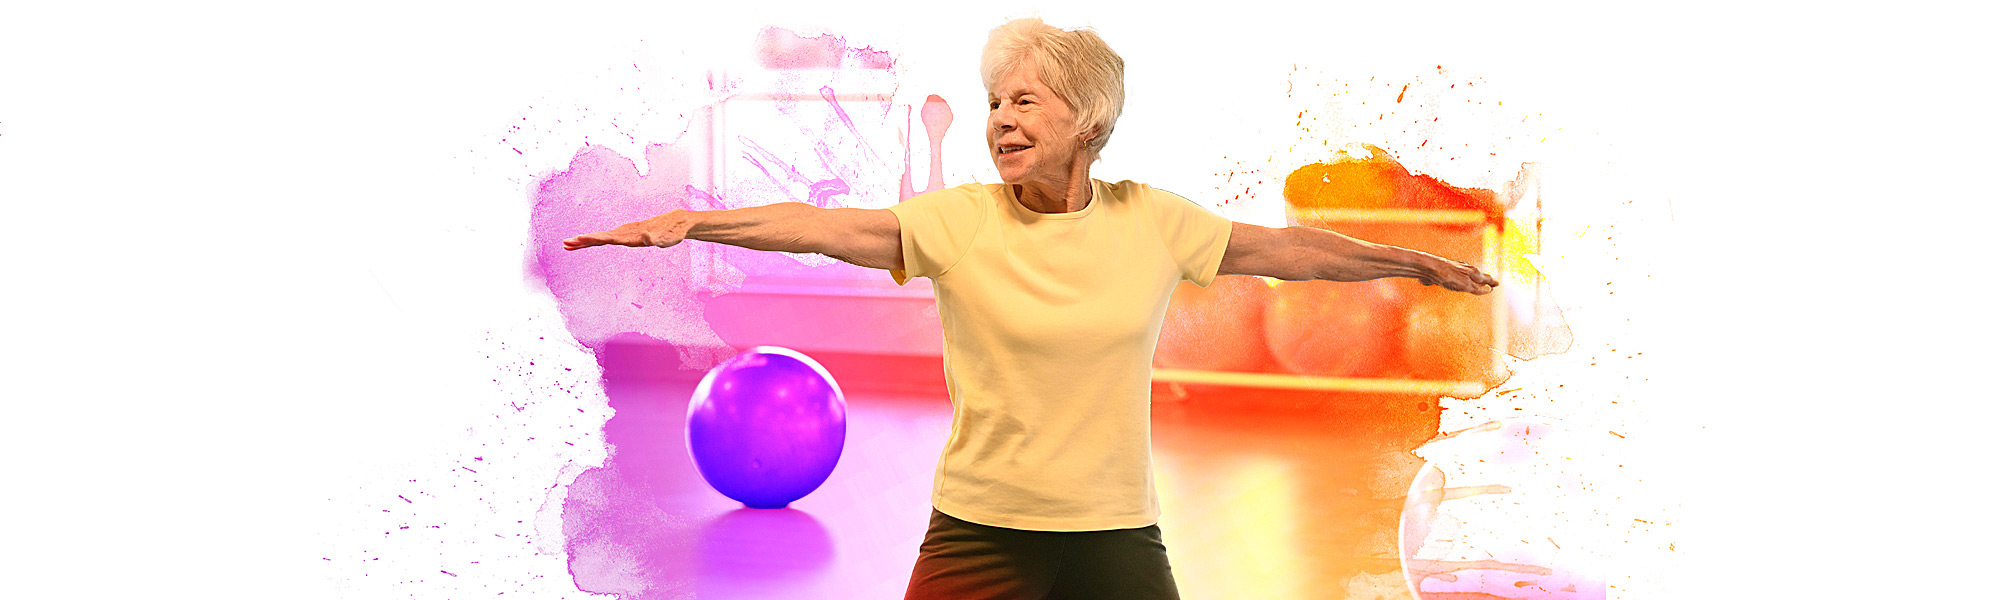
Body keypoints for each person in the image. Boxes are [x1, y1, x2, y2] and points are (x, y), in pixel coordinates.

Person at [563, 17, 1497, 600]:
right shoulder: (959, 223)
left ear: (1086, 119)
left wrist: (1408, 261)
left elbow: (1288, 251)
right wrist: (693, 224)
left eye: (1025, 100)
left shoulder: (1153, 221)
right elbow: (824, 227)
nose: (1001, 118)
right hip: (980, 534)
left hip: (1114, 536)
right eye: (993, 102)